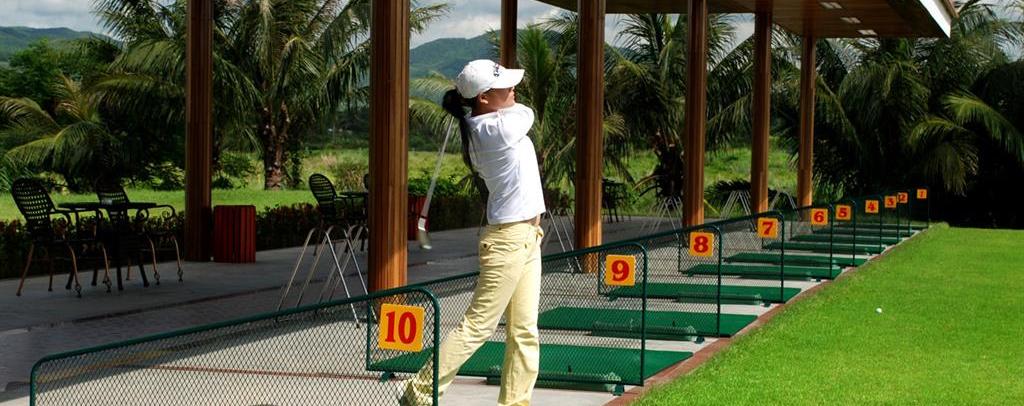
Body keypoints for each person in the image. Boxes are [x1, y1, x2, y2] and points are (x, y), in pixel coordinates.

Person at [402, 59, 546, 406]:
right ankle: (418, 393)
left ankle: (515, 403)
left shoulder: (484, 125)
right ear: (483, 97)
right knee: (478, 326)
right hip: (508, 240)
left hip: (527, 237)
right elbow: (527, 112)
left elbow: (515, 108)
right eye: (504, 85)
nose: (513, 89)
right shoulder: (497, 129)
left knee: (524, 331)